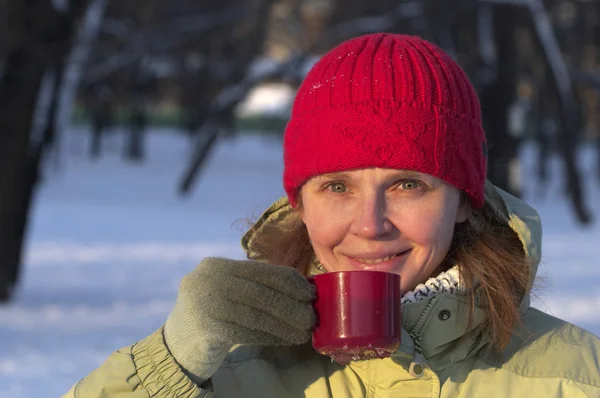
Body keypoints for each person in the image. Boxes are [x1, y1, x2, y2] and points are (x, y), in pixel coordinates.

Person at [63, 33, 600, 398]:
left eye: (408, 184)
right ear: (299, 203)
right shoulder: (224, 372)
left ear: (462, 200)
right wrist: (170, 361)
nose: (370, 224)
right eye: (337, 186)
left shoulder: (576, 376)